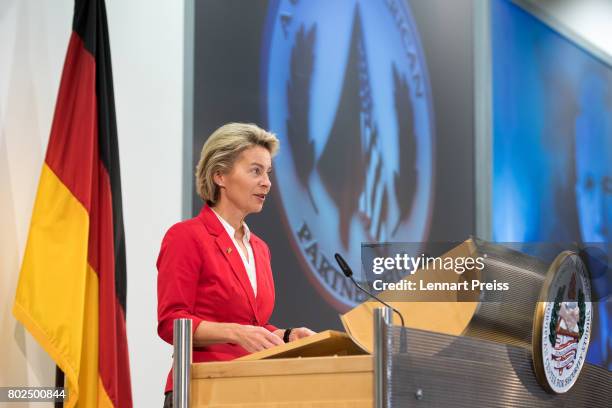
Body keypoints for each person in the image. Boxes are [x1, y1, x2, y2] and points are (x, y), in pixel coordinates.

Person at [157, 123, 316, 406]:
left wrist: (286, 335)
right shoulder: (186, 236)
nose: (267, 182)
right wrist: (235, 332)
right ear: (220, 175)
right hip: (202, 390)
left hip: (252, 390)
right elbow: (171, 323)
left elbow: (252, 325)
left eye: (268, 172)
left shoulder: (260, 248)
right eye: (255, 171)